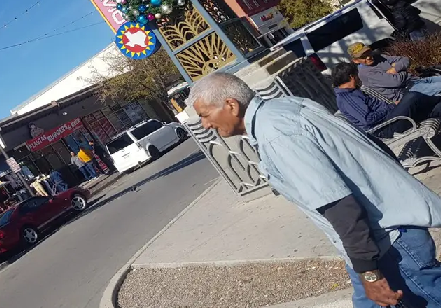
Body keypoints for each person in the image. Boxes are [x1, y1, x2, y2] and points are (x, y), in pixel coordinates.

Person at [187, 72, 441, 308]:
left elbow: (339, 204)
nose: (205, 124)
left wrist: (369, 271)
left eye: (205, 114)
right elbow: (373, 146)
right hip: (374, 241)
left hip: (389, 244)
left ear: (231, 105)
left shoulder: (276, 134)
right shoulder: (284, 108)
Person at [332, 62, 441, 138]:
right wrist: (392, 106)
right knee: (412, 97)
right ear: (352, 76)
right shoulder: (347, 98)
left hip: (392, 118)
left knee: (437, 107)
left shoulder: (353, 91)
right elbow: (369, 119)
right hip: (385, 128)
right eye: (356, 75)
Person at [348, 42, 441, 103]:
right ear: (356, 61)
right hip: (406, 93)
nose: (368, 57)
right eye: (363, 57)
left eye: (368, 53)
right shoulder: (365, 73)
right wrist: (403, 70)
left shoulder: (378, 57)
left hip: (414, 81)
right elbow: (396, 82)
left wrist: (394, 69)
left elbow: (405, 59)